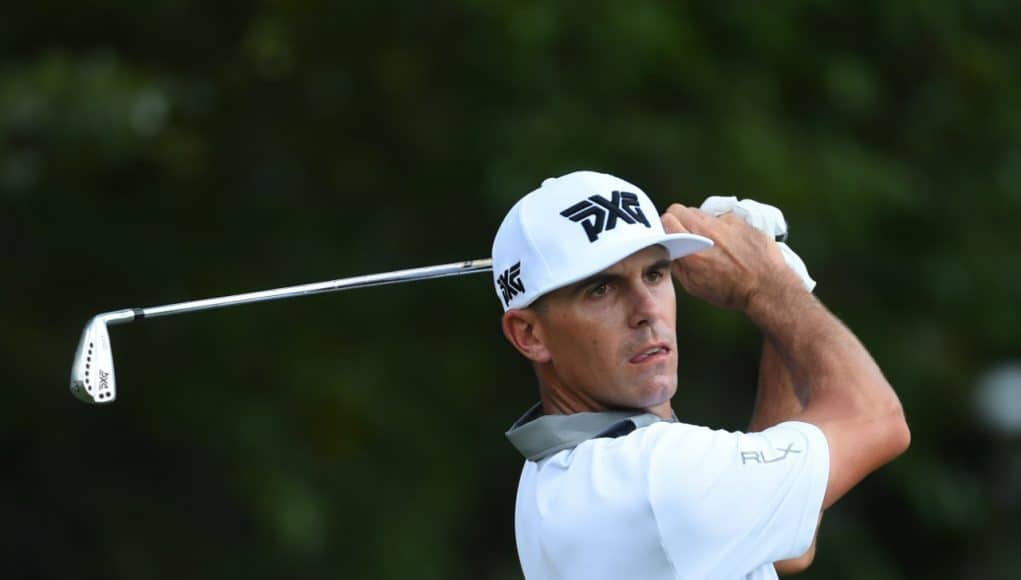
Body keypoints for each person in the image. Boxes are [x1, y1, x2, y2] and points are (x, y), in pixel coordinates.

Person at [491, 170, 910, 579]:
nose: (646, 310)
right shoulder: (650, 476)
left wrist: (782, 284)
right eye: (601, 289)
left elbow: (786, 550)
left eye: (655, 274)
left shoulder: (558, 474)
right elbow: (875, 418)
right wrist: (768, 285)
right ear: (528, 334)